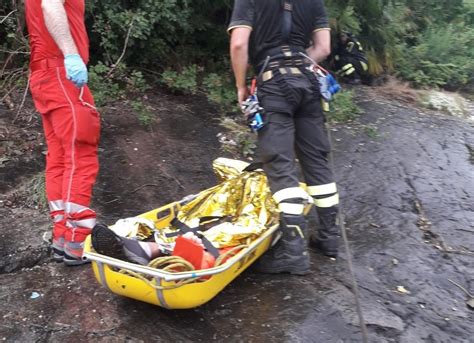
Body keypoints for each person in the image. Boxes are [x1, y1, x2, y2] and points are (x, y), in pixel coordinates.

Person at [228, 0, 340, 275]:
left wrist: (241, 86)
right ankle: (328, 237)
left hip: (273, 84)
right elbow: (323, 47)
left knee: (279, 163)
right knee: (317, 161)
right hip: (308, 83)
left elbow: (239, 44)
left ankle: (293, 252)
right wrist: (298, 64)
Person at [25, 0, 100, 266]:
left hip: (45, 74)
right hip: (61, 72)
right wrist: (70, 54)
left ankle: (62, 237)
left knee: (59, 158)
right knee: (80, 155)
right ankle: (78, 241)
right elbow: (51, 5)